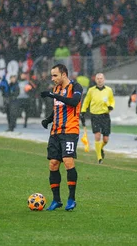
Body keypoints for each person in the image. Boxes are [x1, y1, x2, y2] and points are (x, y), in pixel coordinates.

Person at [40, 63, 83, 211]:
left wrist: (53, 95)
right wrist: (48, 120)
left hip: (70, 131)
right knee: (53, 163)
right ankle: (56, 200)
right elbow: (58, 108)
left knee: (68, 161)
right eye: (52, 75)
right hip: (55, 132)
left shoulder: (76, 87)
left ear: (64, 74)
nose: (53, 78)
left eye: (55, 75)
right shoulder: (56, 89)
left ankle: (71, 199)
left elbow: (73, 102)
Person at [80, 73, 115, 164]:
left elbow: (112, 101)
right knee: (97, 136)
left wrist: (111, 106)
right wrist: (83, 111)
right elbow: (86, 101)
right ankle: (99, 158)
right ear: (95, 80)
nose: (100, 80)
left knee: (105, 139)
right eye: (98, 78)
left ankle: (101, 148)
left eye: (101, 78)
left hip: (105, 116)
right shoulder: (91, 90)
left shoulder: (109, 90)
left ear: (104, 79)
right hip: (95, 116)